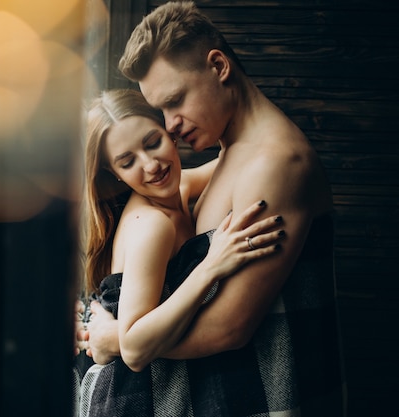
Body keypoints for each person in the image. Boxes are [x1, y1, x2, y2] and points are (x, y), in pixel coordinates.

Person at [83, 1, 346, 416]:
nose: (170, 124)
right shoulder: (230, 155)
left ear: (219, 66)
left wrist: (119, 339)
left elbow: (229, 327)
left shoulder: (275, 164)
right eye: (161, 112)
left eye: (176, 100)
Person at [75, 88, 285, 416]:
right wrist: (210, 267)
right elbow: (133, 348)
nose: (151, 165)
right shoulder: (153, 226)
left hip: (170, 391)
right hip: (132, 399)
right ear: (115, 173)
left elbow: (237, 159)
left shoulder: (181, 186)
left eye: (152, 142)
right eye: (128, 162)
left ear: (169, 133)